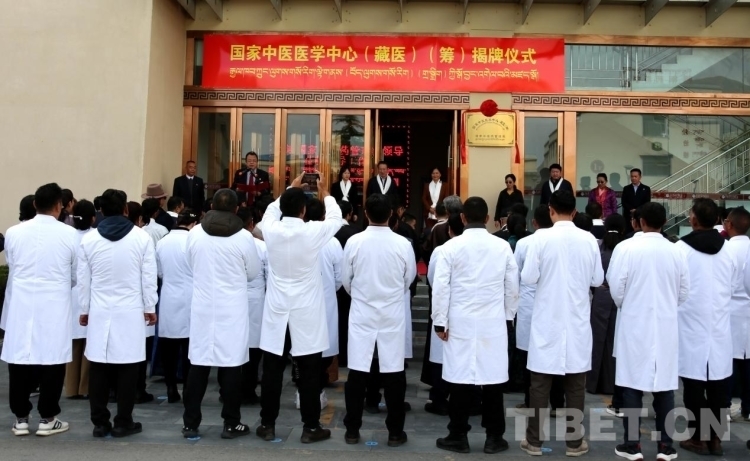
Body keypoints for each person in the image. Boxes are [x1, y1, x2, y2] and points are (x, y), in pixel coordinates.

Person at [256, 172, 342, 444]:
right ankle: (310, 427)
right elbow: (336, 218)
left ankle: (267, 424)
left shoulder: (271, 229)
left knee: (272, 370)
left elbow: (270, 212)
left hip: (278, 307)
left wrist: (289, 188)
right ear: (304, 211)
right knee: (309, 370)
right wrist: (325, 193)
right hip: (306, 309)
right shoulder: (312, 231)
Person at [432, 197, 519, 454]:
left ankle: (458, 434)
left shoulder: (451, 247)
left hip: (459, 320)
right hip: (493, 320)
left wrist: (440, 321)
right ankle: (494, 437)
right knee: (492, 380)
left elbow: (441, 287)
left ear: (462, 218)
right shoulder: (502, 247)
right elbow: (512, 286)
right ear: (488, 218)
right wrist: (508, 316)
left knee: (460, 378)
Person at [520, 190, 604, 457]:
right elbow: (597, 279)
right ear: (575, 212)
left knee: (539, 383)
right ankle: (574, 442)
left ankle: (534, 441)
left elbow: (528, 277)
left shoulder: (541, 238)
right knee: (576, 384)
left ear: (551, 210)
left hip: (547, 318)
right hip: (577, 318)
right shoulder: (588, 239)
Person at [607, 202, 688, 461]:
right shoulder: (676, 251)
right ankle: (666, 446)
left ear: (641, 222)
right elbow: (683, 291)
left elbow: (616, 287)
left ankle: (633, 445)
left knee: (632, 384)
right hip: (665, 325)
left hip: (634, 323)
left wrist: (628, 304)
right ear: (664, 223)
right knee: (664, 386)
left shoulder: (626, 248)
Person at [78, 188, 158, 438]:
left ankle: (100, 422)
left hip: (100, 309)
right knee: (128, 367)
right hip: (130, 309)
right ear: (125, 209)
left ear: (101, 210)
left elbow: (83, 280)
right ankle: (124, 421)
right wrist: (150, 307)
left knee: (99, 366)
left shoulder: (89, 240)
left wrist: (84, 308)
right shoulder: (141, 238)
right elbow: (148, 277)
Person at [181, 189, 260, 439]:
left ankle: (190, 423)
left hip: (203, 306)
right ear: (236, 209)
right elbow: (253, 273)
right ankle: (231, 422)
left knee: (199, 364)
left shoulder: (195, 233)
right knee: (231, 366)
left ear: (212, 207)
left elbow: (190, 264)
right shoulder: (244, 237)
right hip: (232, 308)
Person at [2, 183, 77, 437]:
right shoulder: (69, 234)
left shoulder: (14, 232)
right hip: (54, 302)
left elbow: (13, 264)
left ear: (35, 204)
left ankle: (20, 418)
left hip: (22, 302)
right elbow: (75, 273)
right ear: (60, 206)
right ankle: (48, 417)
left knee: (20, 358)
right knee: (52, 359)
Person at [342, 193, 416, 447]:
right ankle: (395, 432)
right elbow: (408, 279)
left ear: (365, 214)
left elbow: (346, 280)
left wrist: (363, 295)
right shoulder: (402, 244)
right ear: (392, 215)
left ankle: (352, 429)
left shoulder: (354, 242)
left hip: (362, 312)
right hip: (391, 313)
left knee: (357, 371)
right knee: (394, 371)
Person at [675, 199, 735, 456]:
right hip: (719, 322)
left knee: (694, 384)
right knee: (719, 383)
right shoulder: (728, 249)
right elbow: (732, 284)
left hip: (690, 322)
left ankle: (698, 437)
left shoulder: (680, 248)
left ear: (693, 219)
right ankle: (716, 438)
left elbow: (675, 284)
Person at [301, 198, 343, 410]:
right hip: (325, 298)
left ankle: (304, 391)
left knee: (303, 347)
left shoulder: (296, 236)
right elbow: (340, 276)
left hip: (301, 298)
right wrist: (328, 289)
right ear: (323, 216)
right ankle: (315, 390)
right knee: (324, 348)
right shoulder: (332, 241)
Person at [156, 210, 198, 404]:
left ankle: (171, 387)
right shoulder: (193, 241)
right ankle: (189, 388)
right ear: (193, 224)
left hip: (169, 297)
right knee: (189, 347)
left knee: (169, 348)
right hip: (191, 296)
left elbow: (159, 272)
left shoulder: (162, 242)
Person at [425, 214, 465, 416]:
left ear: (449, 230)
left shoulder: (442, 250)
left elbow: (433, 279)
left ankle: (440, 399)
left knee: (442, 357)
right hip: (467, 310)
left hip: (447, 308)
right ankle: (469, 401)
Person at [514, 205, 553, 410]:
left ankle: (531, 401)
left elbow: (516, 275)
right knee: (554, 352)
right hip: (552, 303)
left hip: (528, 303)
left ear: (534, 223)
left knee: (528, 355)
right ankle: (557, 402)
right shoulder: (558, 242)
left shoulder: (524, 243)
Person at [587, 214, 626, 396]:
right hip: (621, 296)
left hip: (601, 294)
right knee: (615, 341)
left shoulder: (598, 246)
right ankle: (613, 384)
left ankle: (593, 383)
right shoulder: (625, 247)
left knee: (597, 340)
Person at [66, 199, 97, 400]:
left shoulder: (67, 236)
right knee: (88, 341)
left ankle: (70, 387)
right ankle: (85, 386)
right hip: (91, 291)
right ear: (93, 218)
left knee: (73, 341)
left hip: (71, 291)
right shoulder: (95, 236)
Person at [236, 207, 266, 405]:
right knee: (253, 347)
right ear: (251, 224)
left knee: (234, 345)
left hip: (235, 298)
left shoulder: (228, 242)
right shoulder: (261, 246)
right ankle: (248, 389)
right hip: (256, 299)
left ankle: (228, 388)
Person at [725, 207, 750, 419]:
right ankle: (748, 407)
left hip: (730, 310)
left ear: (729, 224)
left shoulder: (725, 249)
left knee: (727, 361)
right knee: (748, 361)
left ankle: (724, 406)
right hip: (748, 311)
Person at [621, 168, 651, 233]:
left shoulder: (646, 189)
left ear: (640, 177)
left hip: (640, 216)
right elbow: (624, 202)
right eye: (632, 176)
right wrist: (631, 209)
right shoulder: (626, 188)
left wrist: (637, 210)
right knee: (628, 234)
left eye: (635, 176)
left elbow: (647, 202)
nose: (633, 178)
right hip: (628, 216)